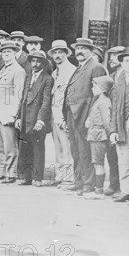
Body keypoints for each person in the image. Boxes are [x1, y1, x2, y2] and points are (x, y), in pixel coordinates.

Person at [63, 37, 107, 195]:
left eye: (83, 48)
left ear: (91, 50)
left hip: (84, 115)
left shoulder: (96, 67)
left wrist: (90, 117)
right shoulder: (79, 66)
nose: (79, 51)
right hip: (72, 114)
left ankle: (88, 185)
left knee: (85, 151)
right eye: (77, 48)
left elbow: (99, 93)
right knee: (76, 151)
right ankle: (78, 182)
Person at [16, 50, 54, 187]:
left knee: (38, 148)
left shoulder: (47, 79)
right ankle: (27, 177)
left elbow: (46, 101)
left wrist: (41, 120)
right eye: (33, 61)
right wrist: (18, 117)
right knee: (25, 148)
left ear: (43, 64)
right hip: (25, 118)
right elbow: (23, 98)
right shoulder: (28, 76)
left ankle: (38, 178)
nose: (35, 64)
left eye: (38, 61)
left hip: (37, 119)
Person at [0, 40, 26, 183]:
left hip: (8, 112)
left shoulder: (18, 70)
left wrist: (14, 114)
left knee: (10, 145)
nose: (6, 54)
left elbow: (19, 95)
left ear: (14, 53)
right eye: (4, 52)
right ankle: (2, 171)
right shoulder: (3, 69)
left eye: (9, 52)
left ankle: (11, 174)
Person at [109, 46, 129, 203]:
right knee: (124, 157)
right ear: (122, 64)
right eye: (127, 61)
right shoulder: (120, 79)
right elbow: (114, 106)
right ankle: (127, 191)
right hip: (122, 122)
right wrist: (113, 129)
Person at [48, 40, 77, 187]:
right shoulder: (55, 72)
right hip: (54, 115)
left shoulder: (71, 71)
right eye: (55, 53)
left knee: (67, 148)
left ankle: (68, 178)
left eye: (61, 52)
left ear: (66, 54)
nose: (58, 55)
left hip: (64, 115)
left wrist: (66, 118)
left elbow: (71, 97)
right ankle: (60, 176)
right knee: (58, 147)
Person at [83, 76, 114, 199]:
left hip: (99, 136)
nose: (92, 88)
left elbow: (107, 122)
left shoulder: (103, 102)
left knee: (98, 163)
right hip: (95, 134)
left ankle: (99, 191)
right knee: (97, 162)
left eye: (94, 86)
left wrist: (110, 135)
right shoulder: (99, 100)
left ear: (102, 89)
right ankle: (98, 189)